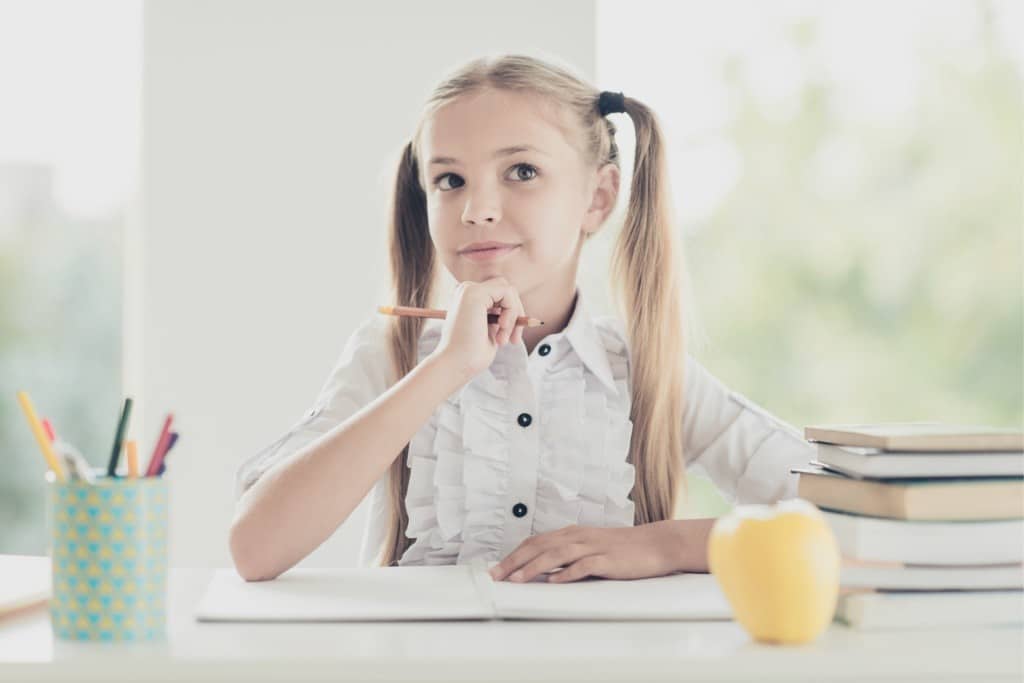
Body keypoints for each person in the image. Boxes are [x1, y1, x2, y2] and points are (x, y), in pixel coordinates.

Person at [229, 53, 814, 584]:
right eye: (449, 180)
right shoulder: (392, 355)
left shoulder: (641, 370)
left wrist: (670, 544)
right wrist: (447, 368)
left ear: (598, 197)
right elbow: (255, 548)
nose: (477, 210)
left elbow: (862, 522)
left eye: (522, 172)